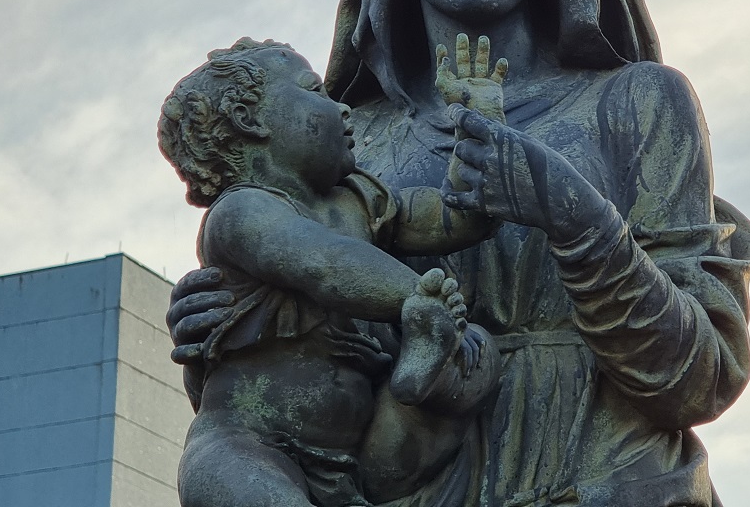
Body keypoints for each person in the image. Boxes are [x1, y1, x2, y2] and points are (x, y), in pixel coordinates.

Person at [169, 0, 750, 507]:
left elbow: (700, 378)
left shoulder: (636, 104)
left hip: (608, 480)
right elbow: (294, 385)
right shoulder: (348, 137)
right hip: (414, 478)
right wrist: (233, 318)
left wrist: (576, 222)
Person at [158, 37, 510, 506]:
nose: (342, 109)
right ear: (249, 119)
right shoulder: (241, 213)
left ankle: (422, 373)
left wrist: (479, 124)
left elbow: (460, 216)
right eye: (314, 91)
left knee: (475, 358)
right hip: (250, 444)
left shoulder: (359, 199)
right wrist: (417, 297)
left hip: (363, 457)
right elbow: (324, 264)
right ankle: (425, 347)